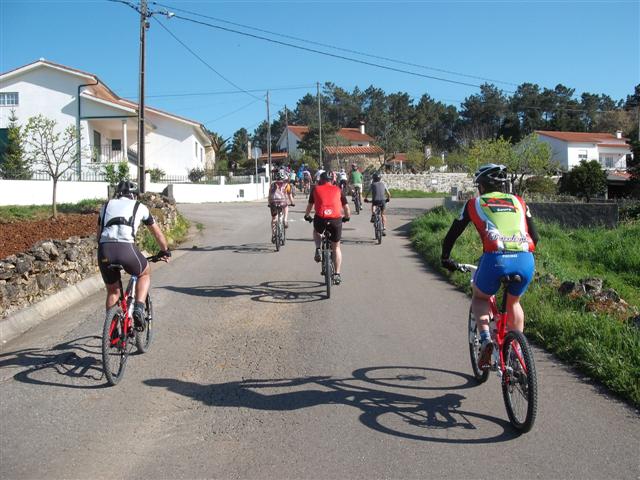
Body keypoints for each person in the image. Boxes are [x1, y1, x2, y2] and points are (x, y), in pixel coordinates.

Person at [440, 164, 539, 368]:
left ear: (482, 186)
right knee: (514, 303)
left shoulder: (474, 203)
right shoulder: (519, 201)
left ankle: (485, 339)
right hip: (525, 259)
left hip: (495, 258)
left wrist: (445, 258)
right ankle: (517, 354)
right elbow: (535, 237)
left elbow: (452, 234)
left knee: (480, 297)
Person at [97, 180, 170, 331]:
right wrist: (165, 250)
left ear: (118, 194)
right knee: (144, 272)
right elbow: (157, 233)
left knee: (113, 292)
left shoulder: (106, 206)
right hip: (126, 249)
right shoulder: (139, 206)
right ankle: (139, 308)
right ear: (134, 195)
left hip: (105, 250)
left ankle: (112, 333)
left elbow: (98, 235)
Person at [304, 171, 351, 285]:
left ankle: (318, 248)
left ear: (320, 180)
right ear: (332, 180)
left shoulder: (315, 189)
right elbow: (346, 208)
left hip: (320, 218)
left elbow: (310, 206)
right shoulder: (338, 190)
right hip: (335, 220)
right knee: (336, 247)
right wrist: (346, 217)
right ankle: (337, 274)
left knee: (317, 231)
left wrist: (307, 216)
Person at [268, 169, 294, 239]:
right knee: (286, 207)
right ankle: (285, 220)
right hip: (282, 201)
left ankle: (273, 234)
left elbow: (269, 195)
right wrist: (292, 203)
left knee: (274, 219)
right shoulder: (287, 185)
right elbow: (290, 196)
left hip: (273, 202)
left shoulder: (272, 184)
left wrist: (269, 203)